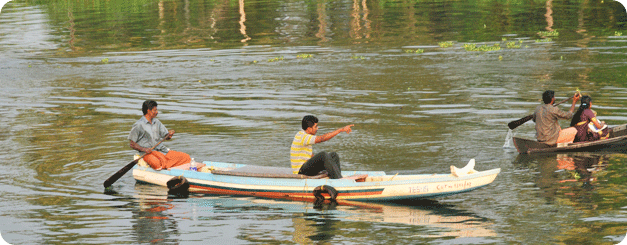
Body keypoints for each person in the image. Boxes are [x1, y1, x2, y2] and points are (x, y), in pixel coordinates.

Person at [128, 100, 191, 170]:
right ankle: (168, 165)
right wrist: (144, 149)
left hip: (161, 150)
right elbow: (132, 144)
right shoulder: (138, 125)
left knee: (186, 157)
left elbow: (166, 137)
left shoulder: (157, 122)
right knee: (157, 164)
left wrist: (169, 135)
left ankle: (167, 165)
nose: (157, 112)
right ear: (148, 111)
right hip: (148, 153)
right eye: (155, 110)